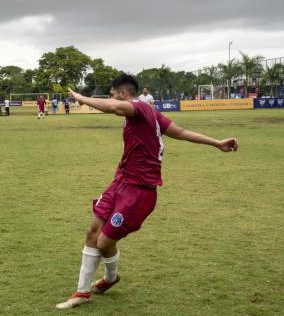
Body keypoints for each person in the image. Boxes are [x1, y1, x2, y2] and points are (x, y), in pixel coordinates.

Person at [56, 74, 238, 309]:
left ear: (123, 94)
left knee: (102, 243)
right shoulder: (151, 113)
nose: (112, 100)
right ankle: (81, 293)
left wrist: (81, 97)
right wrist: (217, 143)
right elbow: (181, 133)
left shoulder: (138, 107)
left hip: (139, 193)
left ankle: (110, 278)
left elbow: (112, 107)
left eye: (113, 94)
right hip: (119, 183)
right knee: (92, 231)